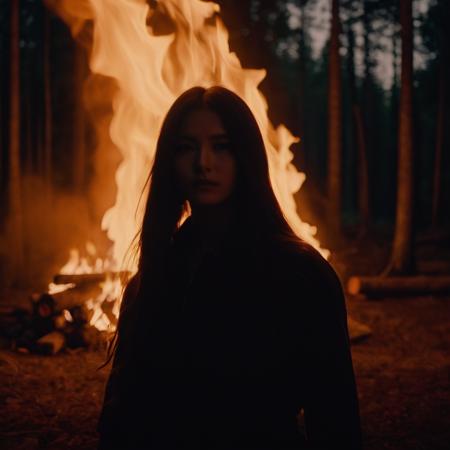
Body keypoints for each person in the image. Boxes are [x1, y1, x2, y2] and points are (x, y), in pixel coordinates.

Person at [97, 86, 362, 449]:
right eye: (186, 147)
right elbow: (119, 417)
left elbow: (335, 421)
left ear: (246, 158)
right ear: (169, 161)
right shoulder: (151, 281)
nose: (203, 162)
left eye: (222, 146)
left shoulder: (301, 276)